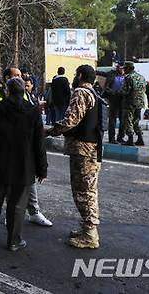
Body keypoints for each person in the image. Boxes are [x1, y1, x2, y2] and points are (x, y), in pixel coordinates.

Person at [0, 77, 47, 251]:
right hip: (23, 167)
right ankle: (13, 241)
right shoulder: (33, 112)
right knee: (17, 206)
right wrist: (42, 169)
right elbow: (39, 144)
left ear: (7, 92)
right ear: (24, 92)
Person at [0, 66, 52, 227]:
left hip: (24, 148)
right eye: (15, 76)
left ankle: (34, 212)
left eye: (20, 76)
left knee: (29, 181)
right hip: (6, 149)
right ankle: (11, 214)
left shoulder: (27, 96)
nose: (20, 78)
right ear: (5, 79)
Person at [47, 65, 103, 249]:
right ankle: (87, 227)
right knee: (88, 189)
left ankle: (90, 234)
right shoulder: (93, 93)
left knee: (83, 191)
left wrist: (50, 130)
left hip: (83, 149)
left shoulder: (81, 92)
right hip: (92, 148)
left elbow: (71, 120)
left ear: (79, 75)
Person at [117, 61, 146, 146]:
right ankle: (140, 138)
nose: (124, 70)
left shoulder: (128, 78)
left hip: (129, 102)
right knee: (136, 121)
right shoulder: (141, 77)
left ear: (129, 68)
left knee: (128, 120)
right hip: (140, 102)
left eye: (125, 68)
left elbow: (124, 91)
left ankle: (130, 139)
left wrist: (116, 93)